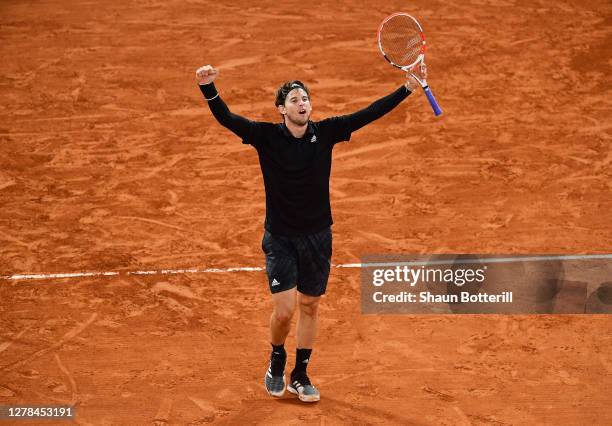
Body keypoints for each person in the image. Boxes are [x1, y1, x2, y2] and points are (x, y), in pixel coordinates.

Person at [196, 64, 419, 402]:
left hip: (317, 236)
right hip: (281, 237)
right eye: (295, 99)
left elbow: (368, 113)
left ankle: (300, 372)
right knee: (285, 311)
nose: (302, 103)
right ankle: (276, 356)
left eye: (306, 98)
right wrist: (208, 89)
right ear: (282, 109)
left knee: (310, 305)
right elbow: (228, 119)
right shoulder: (266, 136)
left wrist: (406, 89)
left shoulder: (326, 132)